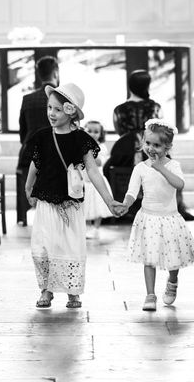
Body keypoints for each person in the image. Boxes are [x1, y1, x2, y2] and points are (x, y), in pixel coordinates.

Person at [25, 83, 123, 309]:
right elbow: (35, 164)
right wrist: (28, 187)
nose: (51, 113)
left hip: (71, 201)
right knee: (44, 244)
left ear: (71, 112)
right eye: (49, 107)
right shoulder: (42, 136)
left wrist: (109, 201)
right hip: (47, 200)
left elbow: (93, 171)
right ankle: (46, 290)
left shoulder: (81, 139)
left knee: (71, 245)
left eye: (58, 109)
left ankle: (73, 291)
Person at [121, 119, 194, 310]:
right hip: (148, 217)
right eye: (148, 143)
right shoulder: (140, 168)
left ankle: (172, 282)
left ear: (168, 146)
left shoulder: (172, 165)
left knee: (173, 257)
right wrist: (125, 204)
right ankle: (150, 295)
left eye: (157, 145)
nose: (151, 148)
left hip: (170, 218)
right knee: (149, 257)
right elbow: (132, 192)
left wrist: (160, 168)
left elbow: (179, 184)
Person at [112, 69, 194, 221]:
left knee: (108, 169)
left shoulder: (119, 109)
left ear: (130, 85)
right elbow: (162, 129)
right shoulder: (155, 107)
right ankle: (177, 205)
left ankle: (116, 208)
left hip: (125, 150)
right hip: (154, 148)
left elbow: (120, 131)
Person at [17, 55, 59, 226]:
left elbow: (23, 131)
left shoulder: (28, 99)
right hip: (56, 152)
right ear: (55, 72)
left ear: (38, 74)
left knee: (23, 171)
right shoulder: (62, 98)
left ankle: (22, 217)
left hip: (30, 152)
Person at [83, 120, 112, 239]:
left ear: (101, 134)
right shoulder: (82, 146)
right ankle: (87, 228)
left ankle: (96, 228)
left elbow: (100, 162)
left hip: (97, 183)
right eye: (89, 131)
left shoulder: (101, 147)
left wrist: (87, 155)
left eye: (96, 132)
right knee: (86, 207)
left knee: (98, 206)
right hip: (85, 181)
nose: (93, 134)